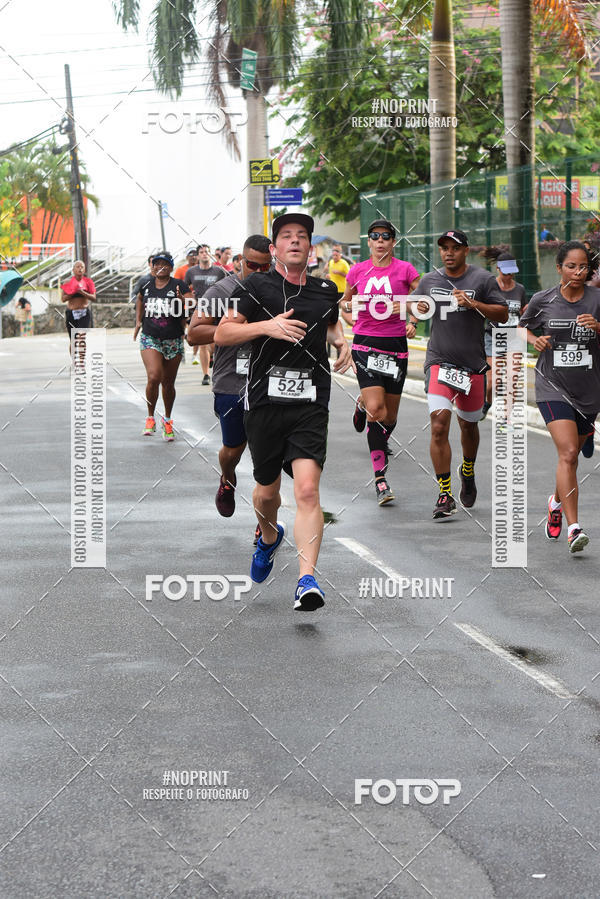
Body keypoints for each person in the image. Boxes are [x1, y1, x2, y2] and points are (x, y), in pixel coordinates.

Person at [214, 213, 353, 611]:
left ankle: (306, 579)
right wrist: (267, 327)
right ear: (275, 248)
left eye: (302, 237)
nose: (295, 241)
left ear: (311, 249)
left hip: (310, 402)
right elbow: (224, 333)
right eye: (287, 236)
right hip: (264, 402)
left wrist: (342, 342)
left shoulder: (327, 290)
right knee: (266, 491)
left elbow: (328, 324)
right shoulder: (255, 286)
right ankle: (268, 536)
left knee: (307, 490)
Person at [414, 230, 508, 519]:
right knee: (439, 423)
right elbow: (418, 307)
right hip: (439, 362)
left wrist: (474, 304)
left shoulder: (482, 280)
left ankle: (468, 470)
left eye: (454, 248)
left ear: (466, 250)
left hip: (472, 366)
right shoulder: (430, 280)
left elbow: (502, 314)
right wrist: (415, 314)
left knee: (469, 425)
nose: (448, 253)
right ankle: (445, 493)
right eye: (443, 248)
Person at [519, 241, 600, 553]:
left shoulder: (596, 299)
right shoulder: (544, 299)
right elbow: (519, 328)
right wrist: (533, 339)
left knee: (572, 457)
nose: (578, 272)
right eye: (571, 266)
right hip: (552, 386)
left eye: (583, 267)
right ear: (559, 268)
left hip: (589, 390)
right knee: (567, 453)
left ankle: (555, 501)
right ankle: (574, 528)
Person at [187, 235, 272, 528]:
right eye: (252, 265)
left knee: (267, 457)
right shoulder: (222, 291)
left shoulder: (279, 289)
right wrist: (233, 329)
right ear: (240, 262)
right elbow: (193, 333)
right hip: (231, 381)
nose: (259, 272)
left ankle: (265, 524)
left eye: (266, 267)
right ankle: (227, 477)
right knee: (233, 450)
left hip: (269, 382)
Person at [339, 219, 420, 505]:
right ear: (369, 242)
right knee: (377, 408)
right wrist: (353, 320)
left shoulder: (406, 270)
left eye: (386, 237)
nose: (380, 241)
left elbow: (424, 301)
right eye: (375, 237)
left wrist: (412, 318)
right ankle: (380, 479)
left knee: (389, 417)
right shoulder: (358, 271)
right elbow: (345, 303)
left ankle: (362, 406)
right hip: (366, 345)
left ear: (393, 242)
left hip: (396, 346)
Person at [133, 252, 188, 441]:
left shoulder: (179, 285)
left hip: (173, 339)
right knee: (154, 376)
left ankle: (167, 419)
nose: (160, 267)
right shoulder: (146, 285)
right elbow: (140, 300)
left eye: (165, 264)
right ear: (152, 266)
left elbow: (192, 305)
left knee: (168, 383)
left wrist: (182, 301)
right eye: (156, 264)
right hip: (150, 337)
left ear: (171, 267)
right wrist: (138, 321)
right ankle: (150, 417)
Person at [481, 251, 527, 419]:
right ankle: (488, 401)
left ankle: (506, 418)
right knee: (492, 381)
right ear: (498, 268)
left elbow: (523, 310)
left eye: (511, 272)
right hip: (493, 336)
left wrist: (528, 310)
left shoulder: (520, 289)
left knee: (512, 378)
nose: (508, 276)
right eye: (505, 272)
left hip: (514, 337)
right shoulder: (489, 287)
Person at [184, 245, 225, 382]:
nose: (204, 254)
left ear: (211, 254)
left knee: (216, 342)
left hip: (218, 309)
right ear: (197, 255)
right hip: (200, 310)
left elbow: (228, 287)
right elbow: (185, 289)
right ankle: (206, 374)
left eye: (207, 251)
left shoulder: (219, 271)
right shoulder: (191, 272)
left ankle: (215, 364)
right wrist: (190, 302)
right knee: (202, 343)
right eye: (201, 252)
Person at [61, 260, 96, 358]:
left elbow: (93, 297)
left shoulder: (88, 282)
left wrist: (83, 293)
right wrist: (73, 292)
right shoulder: (67, 282)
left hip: (84, 313)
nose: (80, 269)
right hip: (71, 313)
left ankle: (81, 362)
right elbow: (63, 299)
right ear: (73, 270)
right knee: (73, 340)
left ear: (84, 270)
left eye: (82, 267)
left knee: (81, 338)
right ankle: (74, 362)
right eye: (78, 267)